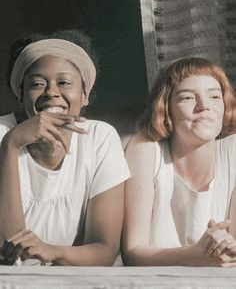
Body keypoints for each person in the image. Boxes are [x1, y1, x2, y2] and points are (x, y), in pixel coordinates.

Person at [0, 30, 130, 266]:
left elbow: (104, 251)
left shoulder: (99, 138)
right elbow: (7, 249)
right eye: (37, 83)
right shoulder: (2, 133)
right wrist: (10, 144)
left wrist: (52, 251)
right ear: (20, 94)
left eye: (64, 82)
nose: (51, 92)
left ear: (84, 95)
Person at [122, 57, 236, 267]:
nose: (204, 106)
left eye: (214, 96)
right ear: (166, 109)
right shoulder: (145, 149)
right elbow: (132, 253)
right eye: (187, 98)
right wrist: (195, 256)